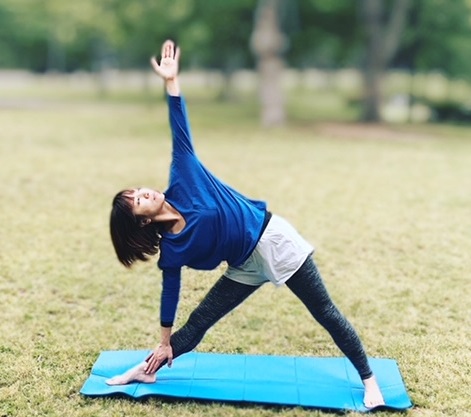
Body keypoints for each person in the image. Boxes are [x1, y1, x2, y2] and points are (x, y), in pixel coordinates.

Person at [107, 40, 385, 409]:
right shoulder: (172, 250)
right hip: (243, 265)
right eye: (137, 201)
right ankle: (145, 369)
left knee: (325, 312)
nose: (144, 192)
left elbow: (179, 124)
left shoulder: (184, 173)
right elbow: (169, 294)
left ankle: (369, 381)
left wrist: (171, 82)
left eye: (138, 190)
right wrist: (163, 340)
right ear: (141, 221)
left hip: (272, 240)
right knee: (198, 322)